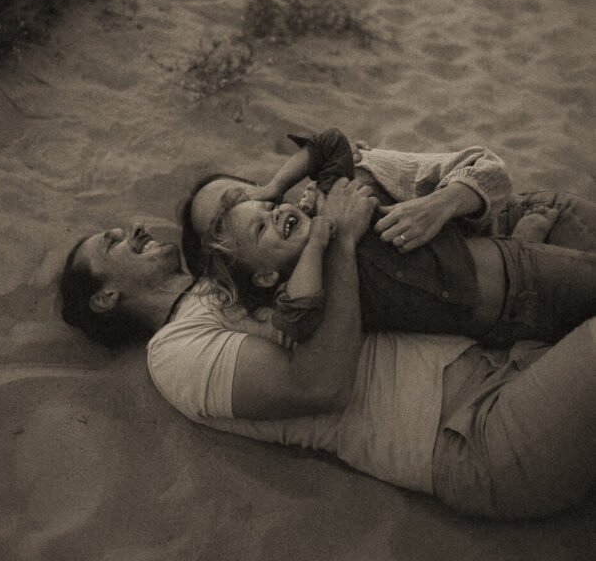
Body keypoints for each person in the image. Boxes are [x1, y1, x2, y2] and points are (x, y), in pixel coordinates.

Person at [58, 180, 596, 520]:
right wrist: (335, 241)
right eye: (110, 244)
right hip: (473, 432)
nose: (130, 229)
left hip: (510, 354)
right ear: (107, 296)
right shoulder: (175, 352)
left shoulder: (229, 278)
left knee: (562, 210)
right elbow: (319, 385)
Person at [186, 129, 596, 347]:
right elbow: (293, 320)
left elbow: (330, 142)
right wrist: (325, 237)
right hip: (505, 322)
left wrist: (272, 187)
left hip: (518, 266)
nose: (273, 211)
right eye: (258, 226)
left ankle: (526, 238)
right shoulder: (308, 287)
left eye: (258, 201)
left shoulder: (336, 194)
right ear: (261, 276)